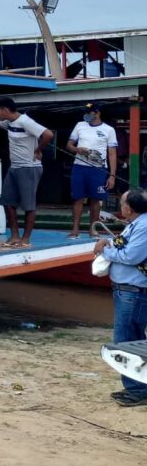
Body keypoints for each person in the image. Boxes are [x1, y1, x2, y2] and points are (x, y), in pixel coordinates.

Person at [0, 97, 54, 248]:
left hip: (29, 167)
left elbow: (48, 134)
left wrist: (38, 150)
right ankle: (15, 236)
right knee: (7, 202)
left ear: (5, 109)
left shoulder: (25, 121)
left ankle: (26, 238)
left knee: (29, 205)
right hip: (14, 167)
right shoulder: (10, 123)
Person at [93, 188, 147, 407]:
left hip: (132, 292)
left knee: (127, 340)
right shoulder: (137, 224)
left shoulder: (143, 226)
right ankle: (135, 387)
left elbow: (131, 255)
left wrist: (105, 251)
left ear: (129, 208)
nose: (120, 206)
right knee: (127, 339)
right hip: (127, 290)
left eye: (123, 202)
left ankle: (138, 390)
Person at [67, 102, 118, 239]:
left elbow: (112, 154)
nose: (87, 115)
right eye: (86, 112)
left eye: (90, 112)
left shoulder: (109, 130)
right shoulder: (79, 125)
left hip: (99, 169)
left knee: (95, 199)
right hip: (79, 166)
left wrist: (112, 176)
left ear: (97, 113)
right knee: (77, 198)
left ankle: (93, 229)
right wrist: (77, 149)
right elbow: (69, 145)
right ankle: (75, 229)